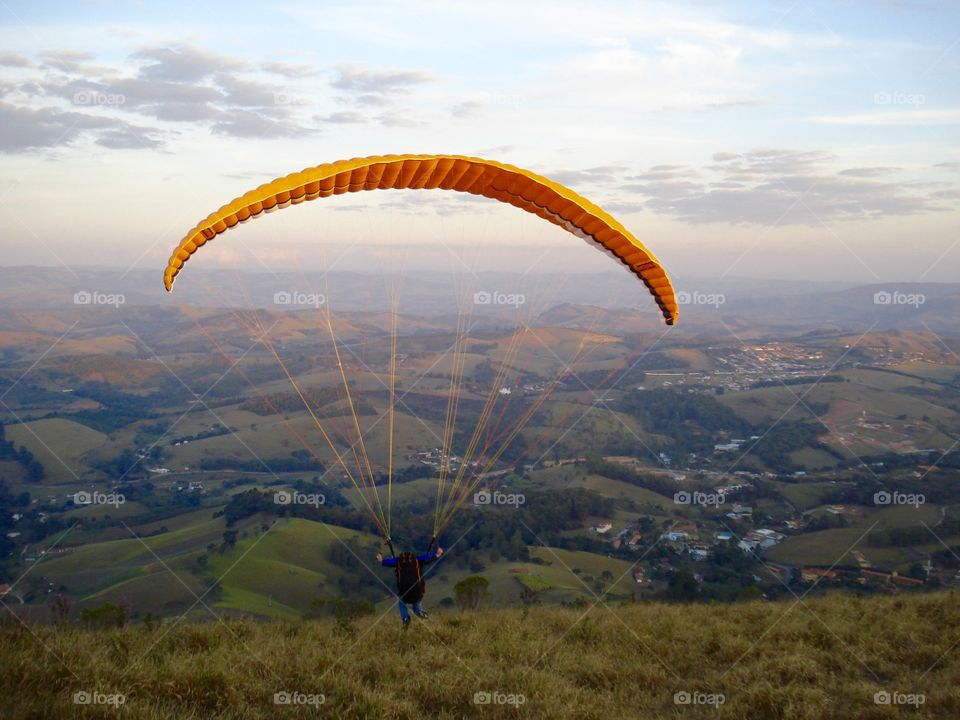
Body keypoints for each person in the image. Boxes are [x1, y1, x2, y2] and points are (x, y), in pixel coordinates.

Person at [376, 546, 444, 627]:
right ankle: (420, 613)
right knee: (416, 604)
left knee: (401, 602)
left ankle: (405, 619)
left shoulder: (398, 561)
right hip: (418, 591)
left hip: (405, 593)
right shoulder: (418, 559)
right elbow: (431, 557)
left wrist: (380, 559)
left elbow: (384, 561)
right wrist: (438, 554)